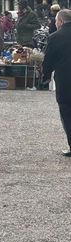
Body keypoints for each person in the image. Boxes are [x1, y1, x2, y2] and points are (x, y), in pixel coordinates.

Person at [42, 10, 71, 156]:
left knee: (67, 112)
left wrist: (45, 77)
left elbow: (48, 60)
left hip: (65, 80)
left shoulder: (55, 37)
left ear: (60, 21)